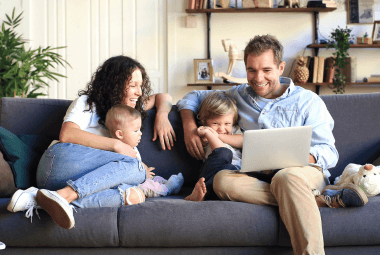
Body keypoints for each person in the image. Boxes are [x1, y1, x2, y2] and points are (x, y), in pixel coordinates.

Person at [177, 35, 368, 255]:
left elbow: (328, 152)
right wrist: (189, 127)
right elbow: (193, 96)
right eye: (251, 70)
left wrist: (292, 159)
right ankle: (317, 199)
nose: (258, 78)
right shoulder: (237, 95)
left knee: (285, 177)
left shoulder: (308, 101)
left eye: (266, 70)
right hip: (254, 175)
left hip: (301, 173)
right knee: (221, 181)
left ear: (280, 68)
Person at [7, 55, 177, 229]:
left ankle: (39, 199)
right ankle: (64, 195)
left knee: (135, 194)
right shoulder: (87, 103)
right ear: (115, 85)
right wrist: (117, 145)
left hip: (81, 183)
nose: (139, 92)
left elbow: (162, 96)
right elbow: (67, 134)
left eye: (140, 86)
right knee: (137, 167)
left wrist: (162, 116)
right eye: (133, 86)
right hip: (58, 165)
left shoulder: (129, 110)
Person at [104, 104, 184, 198]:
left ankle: (169, 184)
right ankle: (167, 189)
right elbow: (125, 173)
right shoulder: (117, 151)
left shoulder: (132, 147)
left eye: (140, 130)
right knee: (148, 187)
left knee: (155, 179)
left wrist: (144, 170)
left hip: (139, 178)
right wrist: (142, 174)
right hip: (130, 185)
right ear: (120, 134)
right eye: (136, 131)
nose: (140, 133)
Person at [185, 91, 243, 201]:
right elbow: (221, 151)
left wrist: (216, 135)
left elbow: (242, 140)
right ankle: (199, 194)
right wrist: (209, 134)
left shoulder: (234, 131)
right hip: (213, 173)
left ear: (233, 121)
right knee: (224, 155)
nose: (221, 128)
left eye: (227, 124)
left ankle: (206, 196)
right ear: (204, 121)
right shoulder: (203, 132)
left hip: (235, 173)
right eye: (215, 124)